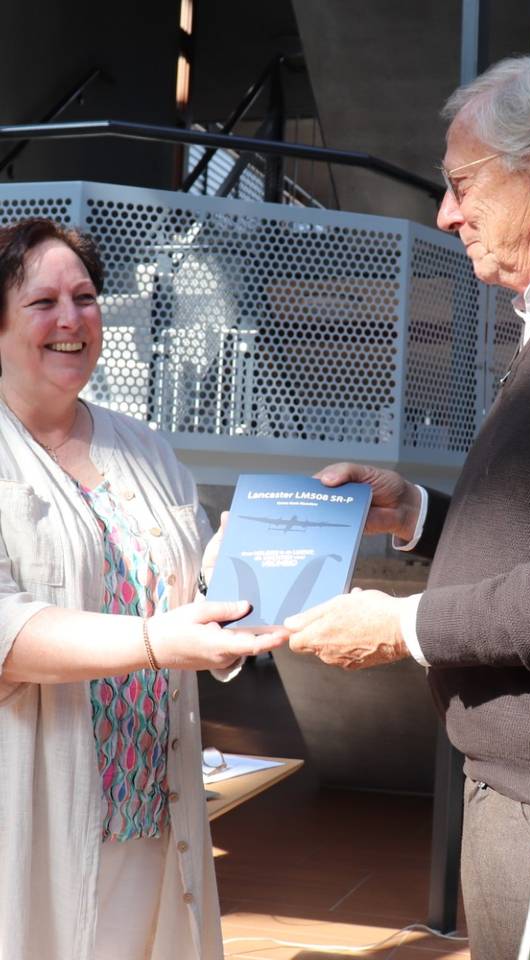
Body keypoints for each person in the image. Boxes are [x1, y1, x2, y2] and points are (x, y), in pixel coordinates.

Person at [283, 53, 530, 959]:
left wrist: (404, 627)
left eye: (460, 185)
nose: (446, 213)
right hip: (517, 778)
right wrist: (418, 512)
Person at [0, 218, 287, 960]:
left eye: (87, 297)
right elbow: (6, 631)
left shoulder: (145, 446)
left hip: (151, 802)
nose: (71, 320)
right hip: (33, 809)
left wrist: (272, 552)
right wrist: (159, 643)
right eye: (42, 303)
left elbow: (190, 580)